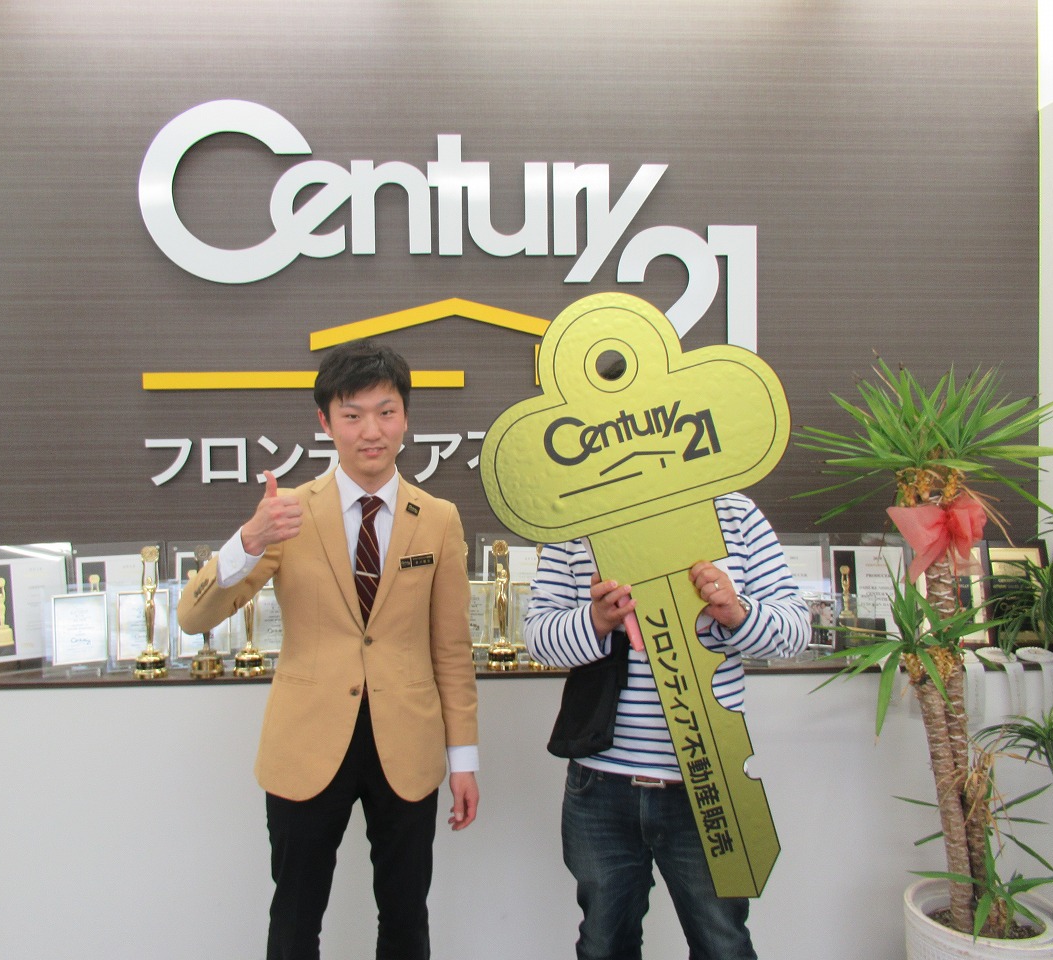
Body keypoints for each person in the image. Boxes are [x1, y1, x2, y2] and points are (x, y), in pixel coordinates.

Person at [177, 339, 479, 960]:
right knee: (295, 918)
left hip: (407, 742)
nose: (371, 430)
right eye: (353, 414)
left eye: (386, 412)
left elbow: (451, 649)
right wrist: (247, 541)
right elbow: (193, 616)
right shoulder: (286, 515)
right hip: (307, 742)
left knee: (406, 919)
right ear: (325, 422)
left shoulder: (438, 518)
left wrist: (464, 758)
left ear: (405, 417)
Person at [525, 493, 809, 960]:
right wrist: (597, 620)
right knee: (603, 945)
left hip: (710, 778)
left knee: (723, 945)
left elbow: (795, 631)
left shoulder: (734, 511)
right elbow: (538, 638)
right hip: (599, 782)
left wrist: (736, 613)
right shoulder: (577, 517)